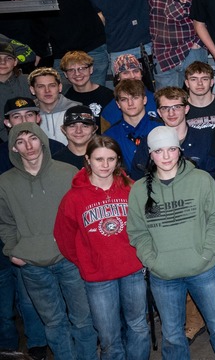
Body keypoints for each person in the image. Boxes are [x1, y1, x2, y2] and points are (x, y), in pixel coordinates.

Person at [127, 126, 215, 360]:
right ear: (150, 154)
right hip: (163, 275)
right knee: (172, 335)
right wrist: (153, 261)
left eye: (171, 149)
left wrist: (207, 253)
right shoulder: (138, 190)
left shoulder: (201, 179)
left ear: (179, 150)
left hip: (204, 270)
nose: (166, 156)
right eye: (159, 151)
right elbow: (138, 232)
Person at [0, 122, 97, 360]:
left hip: (69, 260)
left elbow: (83, 214)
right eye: (20, 142)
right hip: (32, 266)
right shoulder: (5, 183)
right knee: (54, 323)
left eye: (33, 139)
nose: (28, 146)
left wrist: (81, 249)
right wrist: (12, 250)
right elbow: (5, 222)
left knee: (83, 320)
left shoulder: (68, 173)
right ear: (14, 148)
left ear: (42, 141)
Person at [54, 136, 150, 360]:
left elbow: (147, 226)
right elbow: (64, 237)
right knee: (108, 336)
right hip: (98, 277)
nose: (105, 165)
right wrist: (86, 261)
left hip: (133, 270)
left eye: (111, 159)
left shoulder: (131, 189)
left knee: (138, 327)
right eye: (99, 159)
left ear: (118, 161)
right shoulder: (74, 197)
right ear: (88, 159)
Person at [23, 0, 109, 84]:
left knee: (95, 92)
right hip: (62, 56)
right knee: (65, 95)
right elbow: (37, 27)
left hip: (93, 51)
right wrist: (39, 51)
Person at [105, 79, 160, 176]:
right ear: (118, 104)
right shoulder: (109, 136)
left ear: (144, 100)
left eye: (135, 97)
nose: (130, 103)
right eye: (124, 99)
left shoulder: (160, 128)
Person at [29, 67, 78, 145]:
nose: (47, 90)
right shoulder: (28, 115)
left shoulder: (76, 110)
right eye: (41, 86)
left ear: (60, 87)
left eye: (52, 85)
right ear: (32, 90)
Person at [60, 51, 114, 122]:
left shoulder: (108, 96)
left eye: (82, 68)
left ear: (91, 69)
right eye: (71, 70)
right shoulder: (65, 99)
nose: (77, 74)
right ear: (65, 74)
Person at [183, 62, 215, 130]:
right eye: (193, 79)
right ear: (187, 83)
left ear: (211, 82)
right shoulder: (180, 110)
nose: (200, 83)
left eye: (205, 79)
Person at [52, 105, 100, 169]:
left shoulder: (105, 159)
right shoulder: (55, 162)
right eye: (72, 126)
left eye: (85, 126)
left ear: (94, 129)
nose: (78, 131)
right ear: (63, 129)